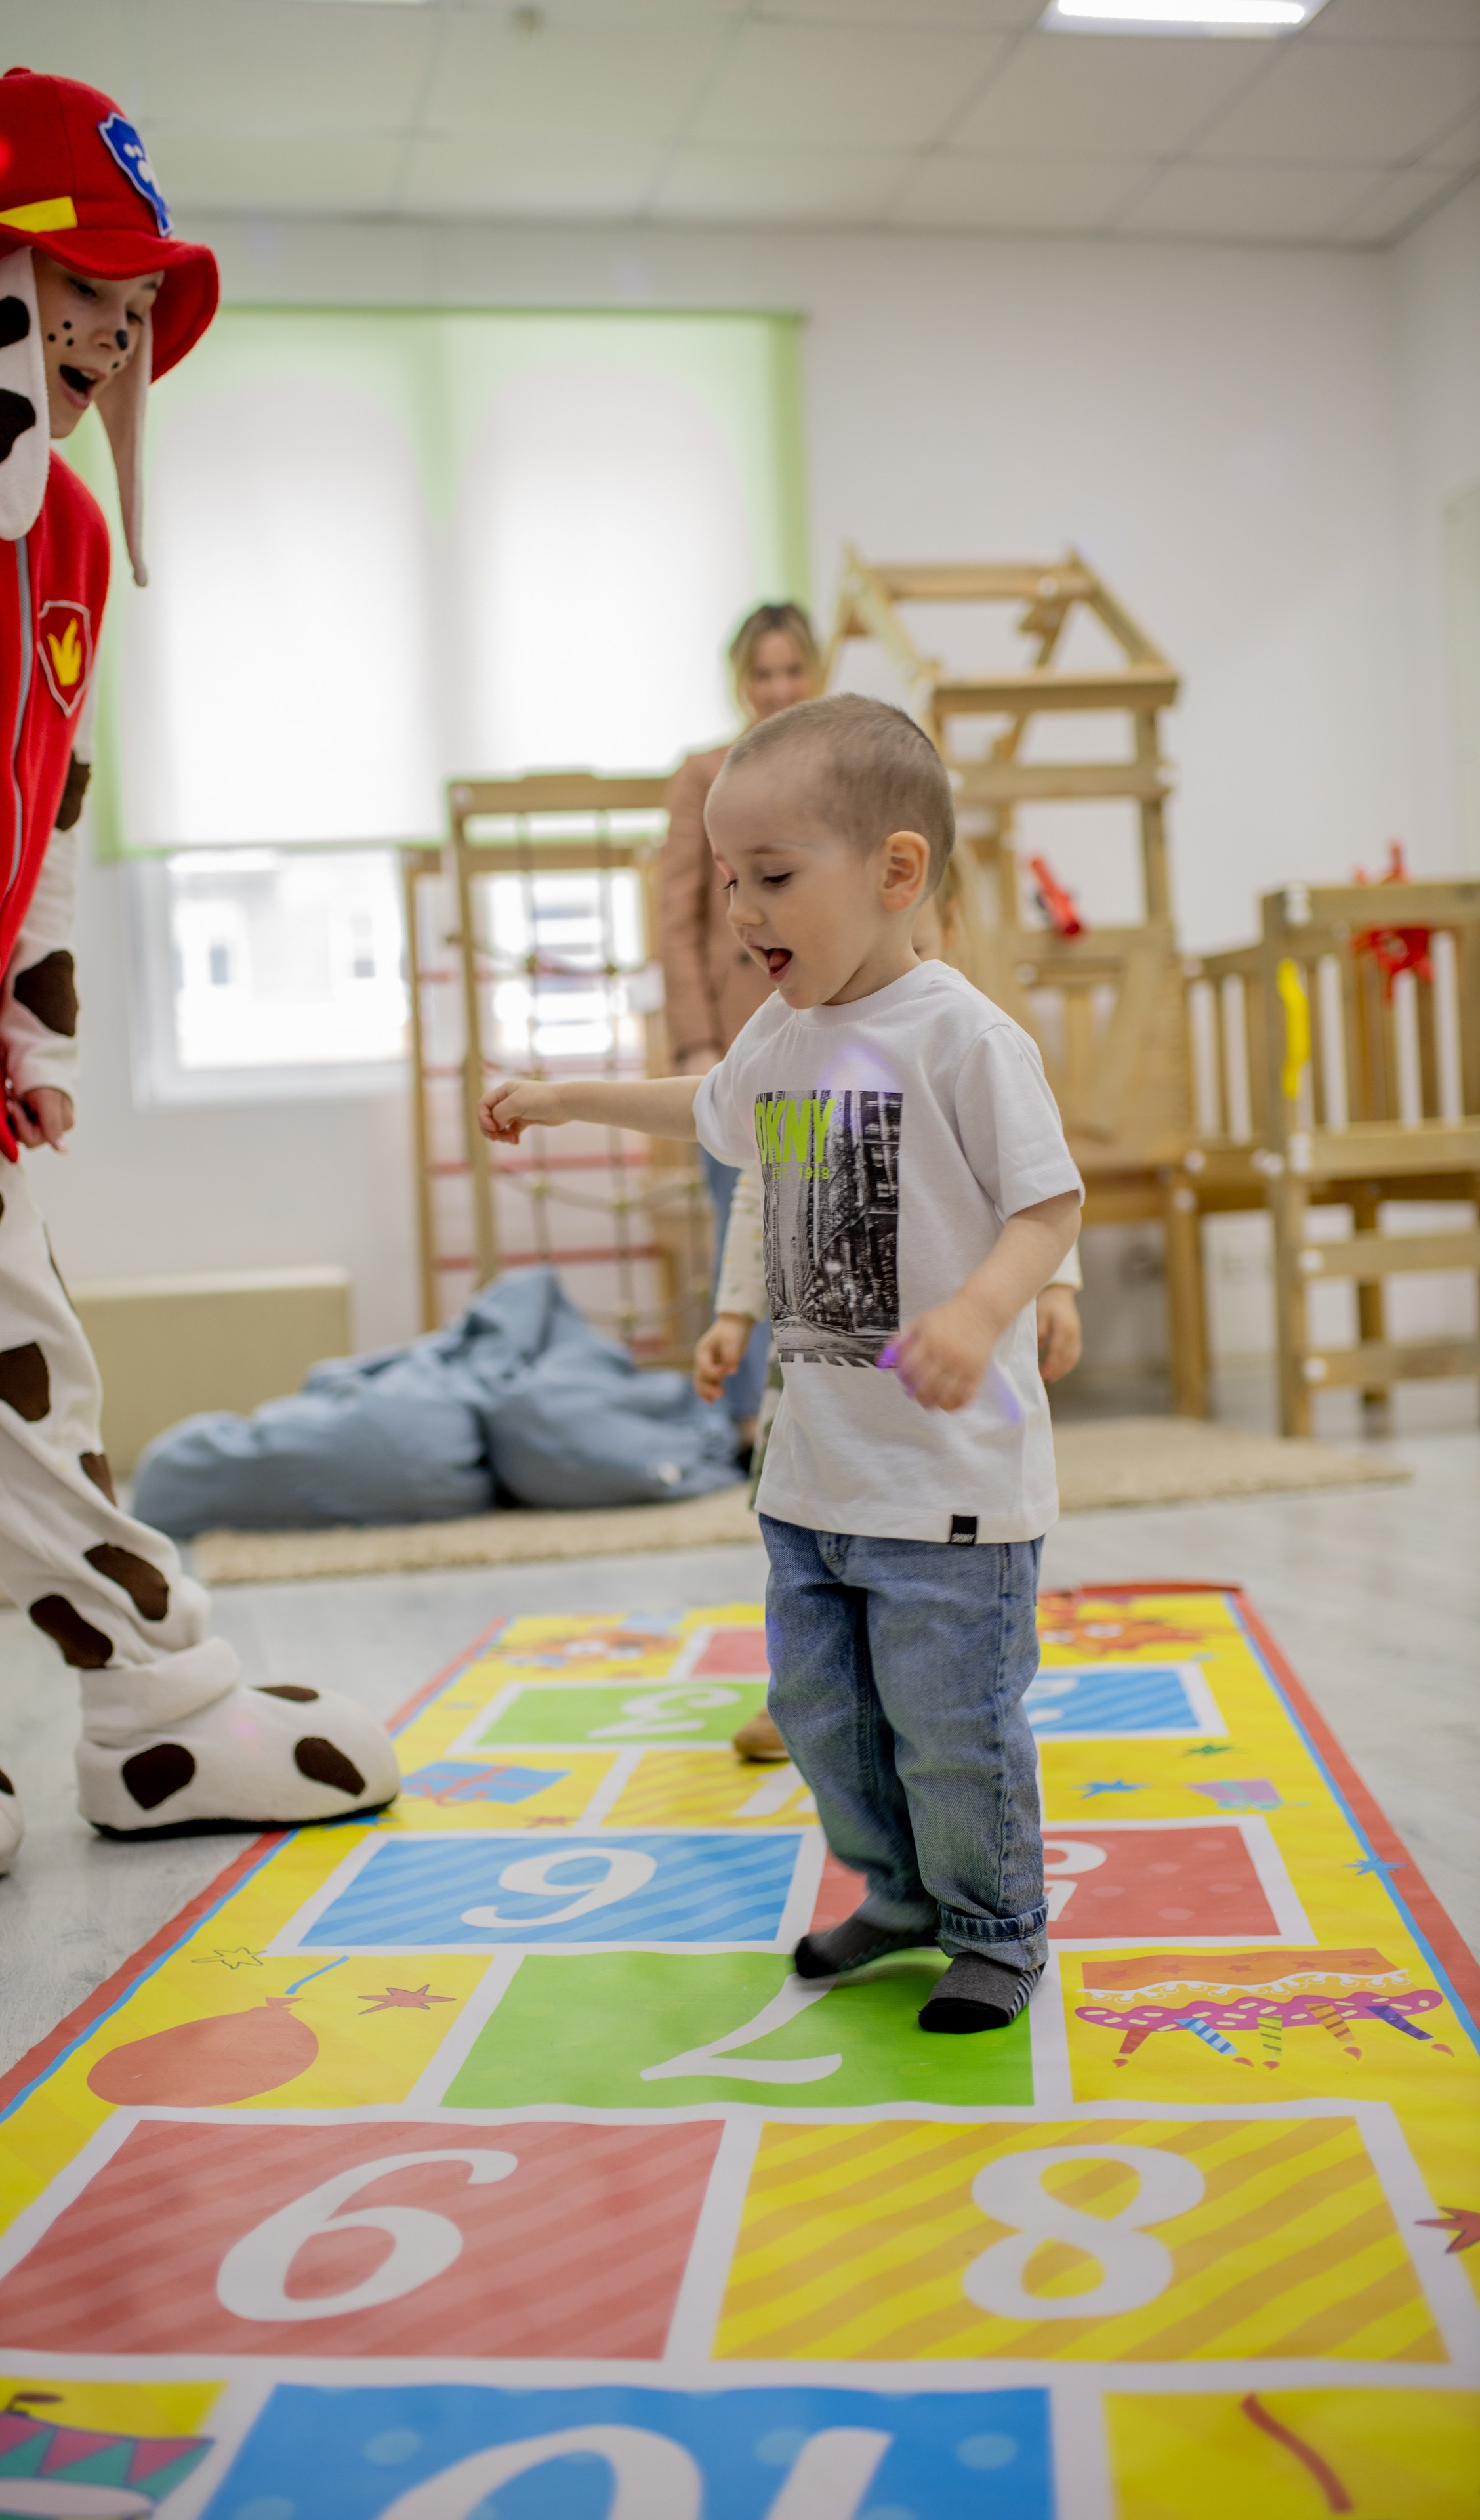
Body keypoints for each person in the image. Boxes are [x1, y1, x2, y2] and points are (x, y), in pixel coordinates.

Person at [0, 70, 397, 1907]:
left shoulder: (61, 533)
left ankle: (152, 1703)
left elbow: (49, 801)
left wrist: (31, 1027)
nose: (120, 345)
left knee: (26, 1374)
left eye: (135, 320)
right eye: (90, 307)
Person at [481, 694, 1081, 2036]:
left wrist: (983, 1315)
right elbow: (707, 1122)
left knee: (952, 1726)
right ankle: (902, 1894)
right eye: (725, 881)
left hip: (947, 1492)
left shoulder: (964, 1039)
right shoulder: (778, 1035)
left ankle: (992, 1924)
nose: (742, 912)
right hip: (810, 1482)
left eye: (772, 878)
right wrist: (566, 1096)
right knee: (823, 1716)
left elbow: (1048, 1208)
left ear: (894, 872)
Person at [697, 861, 1084, 1760]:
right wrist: (732, 1316)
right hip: (819, 1376)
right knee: (808, 1544)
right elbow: (758, 1194)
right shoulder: (786, 1055)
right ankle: (812, 1695)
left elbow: (1037, 1194)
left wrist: (1058, 1287)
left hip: (932, 1408)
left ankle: (909, 1707)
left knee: (927, 1602)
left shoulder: (963, 1042)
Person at [657, 602, 822, 1447]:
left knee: (820, 1209)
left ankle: (813, 1404)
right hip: (736, 1028)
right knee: (748, 1213)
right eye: (763, 673)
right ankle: (751, 1418)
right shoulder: (705, 774)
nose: (778, 687)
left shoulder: (840, 768)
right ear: (739, 682)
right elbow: (676, 914)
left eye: (792, 670)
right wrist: (692, 1037)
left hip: (828, 1026)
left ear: (816, 674)